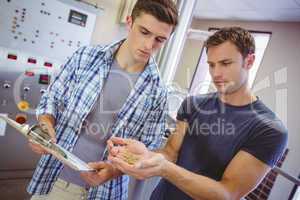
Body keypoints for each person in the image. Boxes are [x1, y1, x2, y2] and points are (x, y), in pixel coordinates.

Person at [107, 27, 288, 200]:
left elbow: (227, 194)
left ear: (249, 61)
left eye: (225, 63)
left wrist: (165, 169)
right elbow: (170, 152)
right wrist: (146, 155)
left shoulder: (269, 129)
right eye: (211, 65)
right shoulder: (193, 104)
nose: (216, 73)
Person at [27, 0, 178, 199]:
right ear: (129, 22)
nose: (149, 45)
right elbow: (52, 99)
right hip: (55, 180)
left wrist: (114, 170)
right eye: (144, 32)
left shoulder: (157, 91)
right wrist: (44, 127)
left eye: (160, 39)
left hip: (106, 193)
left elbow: (150, 148)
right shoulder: (85, 57)